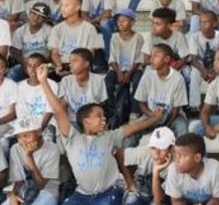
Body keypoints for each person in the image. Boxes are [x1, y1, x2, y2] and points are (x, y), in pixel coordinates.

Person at [37, 61, 162, 205]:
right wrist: (43, 82)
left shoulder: (109, 137)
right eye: (99, 115)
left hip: (108, 192)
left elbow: (135, 127)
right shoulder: (72, 138)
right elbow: (59, 111)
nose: (104, 119)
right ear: (86, 121)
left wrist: (155, 119)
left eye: (104, 116)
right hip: (82, 195)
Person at [163, 133, 219, 205]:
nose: (176, 160)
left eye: (181, 156)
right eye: (176, 155)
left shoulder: (216, 169)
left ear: (197, 158)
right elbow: (177, 201)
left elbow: (217, 200)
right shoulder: (173, 169)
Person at [4, 124, 61, 205]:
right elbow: (17, 180)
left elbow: (41, 185)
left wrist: (29, 156)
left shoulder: (52, 149)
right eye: (18, 137)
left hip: (46, 191)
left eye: (26, 136)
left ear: (39, 132)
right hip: (24, 191)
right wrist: (12, 195)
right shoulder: (15, 149)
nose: (22, 141)